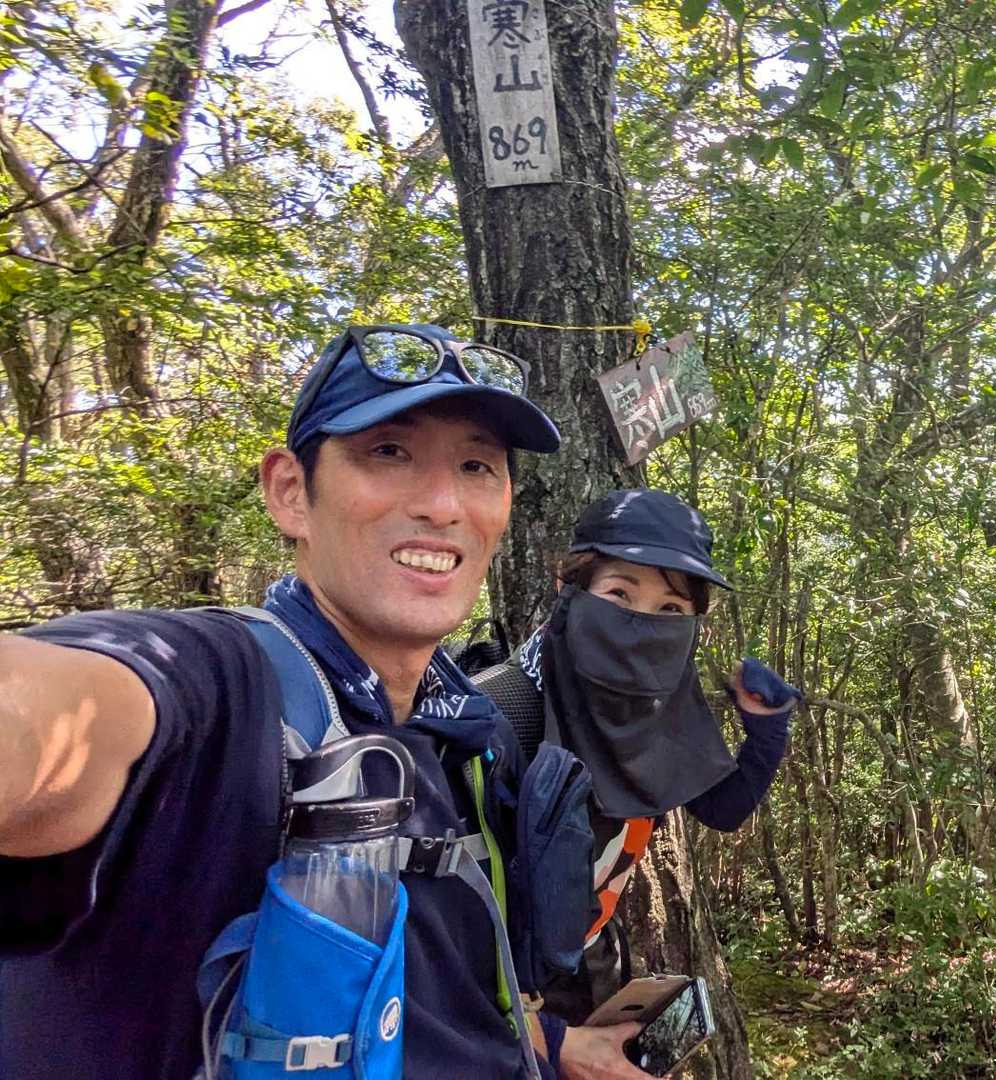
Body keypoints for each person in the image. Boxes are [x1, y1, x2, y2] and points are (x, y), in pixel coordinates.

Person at [0, 324, 654, 1078]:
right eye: (388, 452)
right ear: (290, 492)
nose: (443, 504)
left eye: (476, 466)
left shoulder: (468, 731)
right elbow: (55, 715)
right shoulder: (221, 690)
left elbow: (444, 985)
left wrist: (560, 1047)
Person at [471, 488, 795, 1023]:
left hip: (595, 974)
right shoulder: (498, 718)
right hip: (502, 1008)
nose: (643, 626)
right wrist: (551, 1042)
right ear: (568, 587)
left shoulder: (660, 707)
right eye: (620, 594)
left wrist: (767, 728)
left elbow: (721, 808)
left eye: (670, 609)